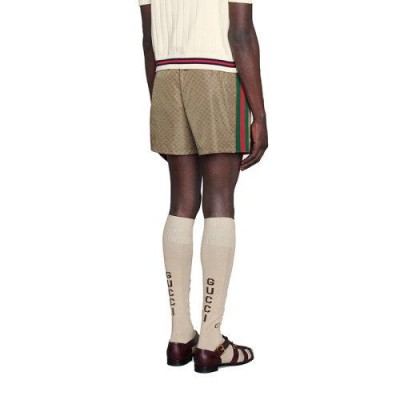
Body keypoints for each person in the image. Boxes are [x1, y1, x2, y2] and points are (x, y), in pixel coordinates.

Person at [138, 0, 268, 373]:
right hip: (217, 73)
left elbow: (148, 39)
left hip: (166, 76)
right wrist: (260, 115)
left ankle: (180, 335)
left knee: (180, 203)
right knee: (219, 200)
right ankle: (211, 341)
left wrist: (160, 101)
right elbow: (240, 34)